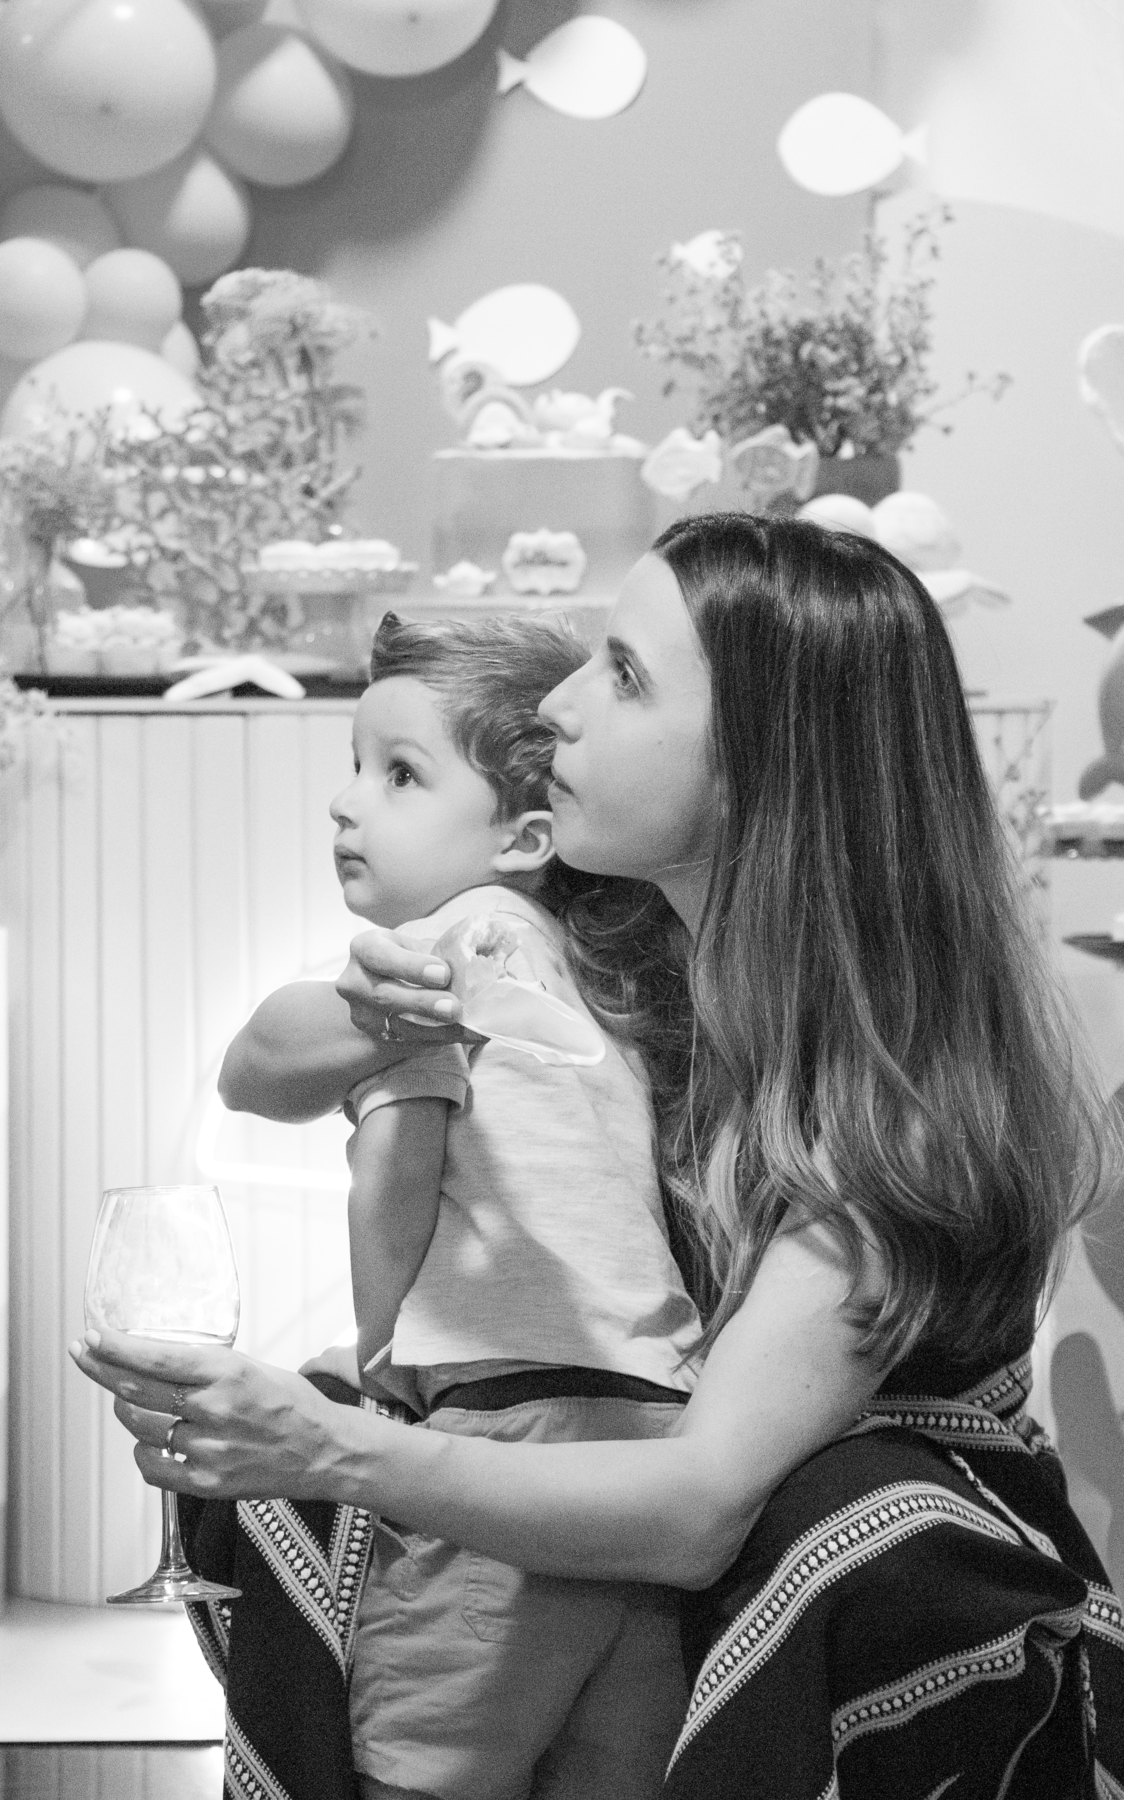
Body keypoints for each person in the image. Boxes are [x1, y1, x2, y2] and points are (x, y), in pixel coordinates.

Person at [72, 515, 1124, 1799]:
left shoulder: (893, 1112)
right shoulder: (611, 952)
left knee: (852, 1522)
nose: (559, 707)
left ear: (759, 769)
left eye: (622, 675)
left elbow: (694, 1508)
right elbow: (259, 1070)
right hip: (637, 1542)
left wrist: (322, 1446)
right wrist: (377, 1018)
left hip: (856, 1599)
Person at [323, 610, 702, 1800]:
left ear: (524, 837)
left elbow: (396, 1173)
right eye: (355, 766)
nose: (347, 803)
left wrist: (378, 1352)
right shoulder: (595, 971)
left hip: (506, 1421)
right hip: (650, 1436)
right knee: (612, 1769)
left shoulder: (442, 956)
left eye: (399, 775)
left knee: (427, 1762)